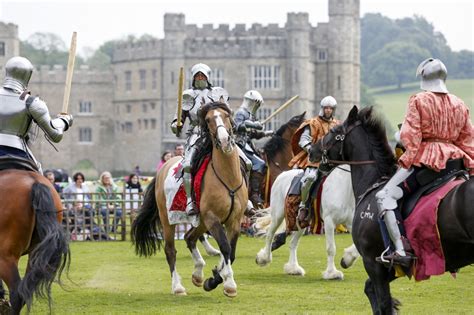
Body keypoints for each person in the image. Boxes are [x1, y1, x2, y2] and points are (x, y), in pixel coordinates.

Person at [375, 58, 474, 268]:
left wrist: (405, 157)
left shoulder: (419, 100)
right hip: (455, 162)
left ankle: (401, 251)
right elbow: (468, 140)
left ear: (423, 77)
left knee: (385, 196)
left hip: (428, 160)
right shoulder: (459, 103)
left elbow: (411, 138)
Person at [170, 63, 229, 216]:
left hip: (215, 132)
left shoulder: (217, 93)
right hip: (196, 133)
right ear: (194, 78)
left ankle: (245, 198)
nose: (200, 78)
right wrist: (176, 125)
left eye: (203, 75)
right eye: (198, 75)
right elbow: (178, 118)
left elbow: (226, 113)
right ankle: (190, 201)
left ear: (208, 77)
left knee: (244, 160)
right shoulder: (188, 96)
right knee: (188, 165)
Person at [0, 56, 73, 172]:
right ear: (27, 76)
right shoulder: (32, 102)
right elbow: (55, 135)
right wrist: (64, 121)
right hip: (17, 149)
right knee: (38, 173)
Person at [288, 96, 339, 225]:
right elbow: (303, 140)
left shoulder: (338, 125)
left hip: (332, 162)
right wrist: (312, 149)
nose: (328, 110)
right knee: (310, 178)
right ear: (322, 109)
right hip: (315, 160)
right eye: (326, 108)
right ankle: (303, 205)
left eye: (330, 108)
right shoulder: (313, 123)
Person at [234, 90, 273, 209]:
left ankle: (255, 192)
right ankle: (254, 194)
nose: (256, 106)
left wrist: (264, 133)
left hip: (248, 144)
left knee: (263, 162)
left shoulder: (251, 115)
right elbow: (236, 127)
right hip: (238, 144)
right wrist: (252, 124)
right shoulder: (241, 112)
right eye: (256, 103)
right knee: (258, 163)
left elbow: (252, 134)